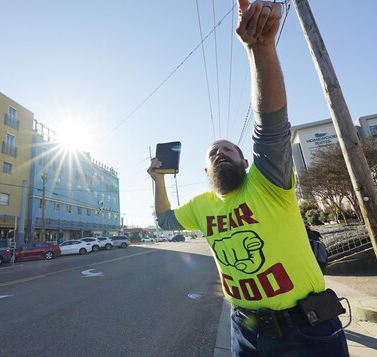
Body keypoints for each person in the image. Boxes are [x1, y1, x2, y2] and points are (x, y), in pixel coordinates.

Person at [147, 1, 348, 355]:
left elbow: (270, 129)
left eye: (228, 150)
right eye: (212, 153)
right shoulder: (201, 205)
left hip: (306, 331)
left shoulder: (267, 183)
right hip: (245, 330)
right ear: (206, 172)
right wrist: (158, 179)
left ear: (245, 162)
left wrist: (260, 49)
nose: (219, 152)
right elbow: (164, 221)